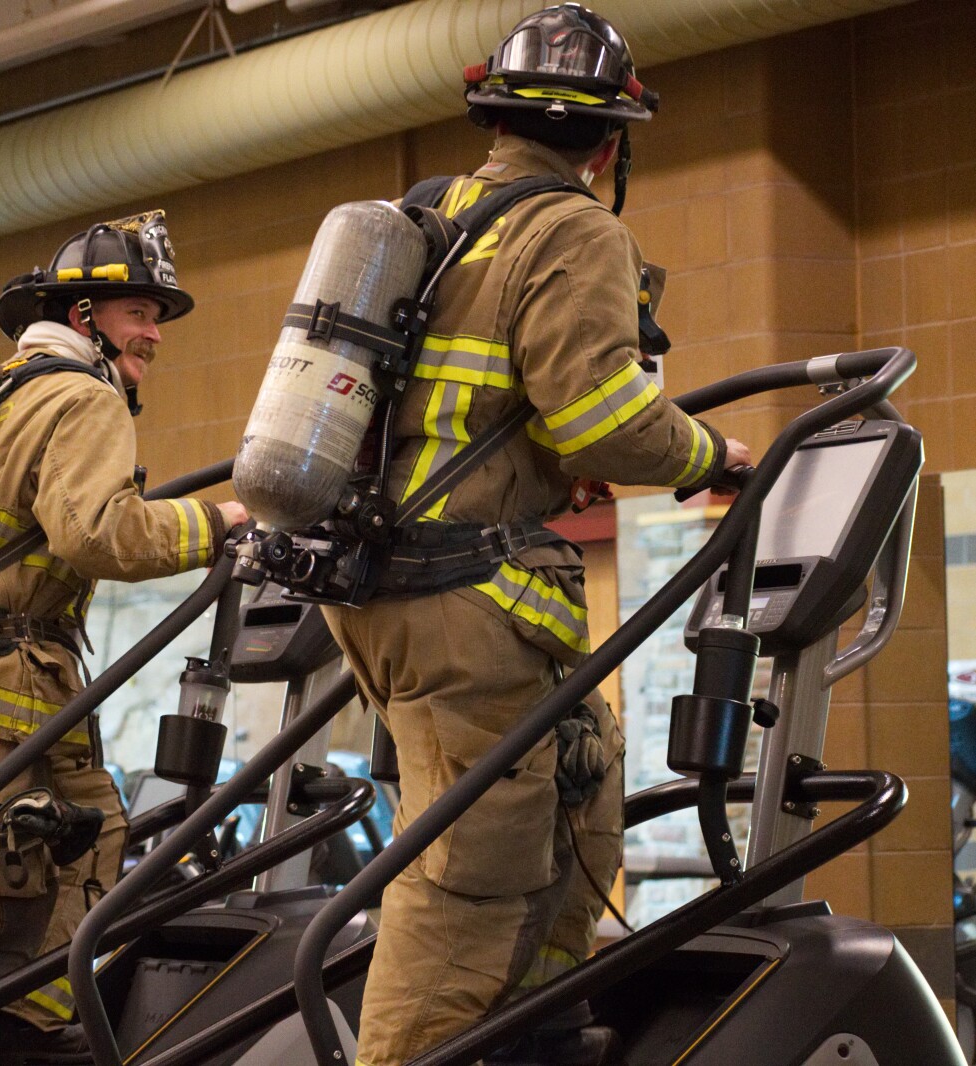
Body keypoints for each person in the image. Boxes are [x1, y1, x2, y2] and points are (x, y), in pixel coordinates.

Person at [316, 7, 754, 1065]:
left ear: (493, 119)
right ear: (610, 145)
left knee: (574, 795)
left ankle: (538, 1036)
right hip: (463, 595)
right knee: (471, 872)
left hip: (405, 584)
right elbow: (599, 413)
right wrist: (718, 459)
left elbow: (482, 414)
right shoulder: (573, 228)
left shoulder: (439, 219)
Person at [0, 210, 249, 1066]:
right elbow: (99, 536)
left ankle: (31, 1034)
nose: (154, 333)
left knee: (87, 835)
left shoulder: (7, 392)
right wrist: (219, 522)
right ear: (83, 317)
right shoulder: (81, 396)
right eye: (137, 313)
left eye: (157, 315)